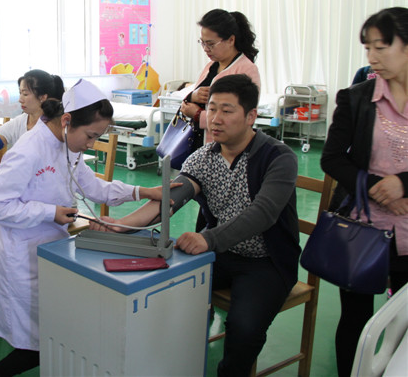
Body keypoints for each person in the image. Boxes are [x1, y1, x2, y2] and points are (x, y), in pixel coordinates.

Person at [91, 74, 300, 376]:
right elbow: (169, 200)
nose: (215, 119)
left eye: (226, 111)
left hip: (266, 262)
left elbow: (263, 213)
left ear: (251, 116)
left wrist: (208, 239)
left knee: (244, 327)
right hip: (219, 255)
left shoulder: (277, 157)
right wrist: (121, 226)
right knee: (161, 293)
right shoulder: (203, 157)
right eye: (211, 109)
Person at [0, 79, 166, 377]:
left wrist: (142, 192)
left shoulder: (67, 146)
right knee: (41, 338)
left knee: (52, 331)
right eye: (90, 136)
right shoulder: (30, 149)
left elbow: (93, 187)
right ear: (66, 120)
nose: (91, 144)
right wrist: (49, 212)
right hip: (21, 257)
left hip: (51, 250)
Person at [320, 7, 408, 377]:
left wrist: (403, 183)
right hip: (363, 227)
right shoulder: (356, 98)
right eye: (368, 48)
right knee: (355, 320)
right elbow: (331, 158)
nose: (371, 57)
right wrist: (375, 187)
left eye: (381, 47)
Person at [179, 8, 262, 232]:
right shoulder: (211, 66)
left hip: (227, 152)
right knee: (205, 205)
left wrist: (198, 115)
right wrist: (193, 96)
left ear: (231, 40)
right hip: (203, 148)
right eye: (202, 43)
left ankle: (211, 244)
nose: (206, 49)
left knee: (220, 210)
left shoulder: (246, 70)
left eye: (211, 44)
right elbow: (189, 99)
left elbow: (240, 119)